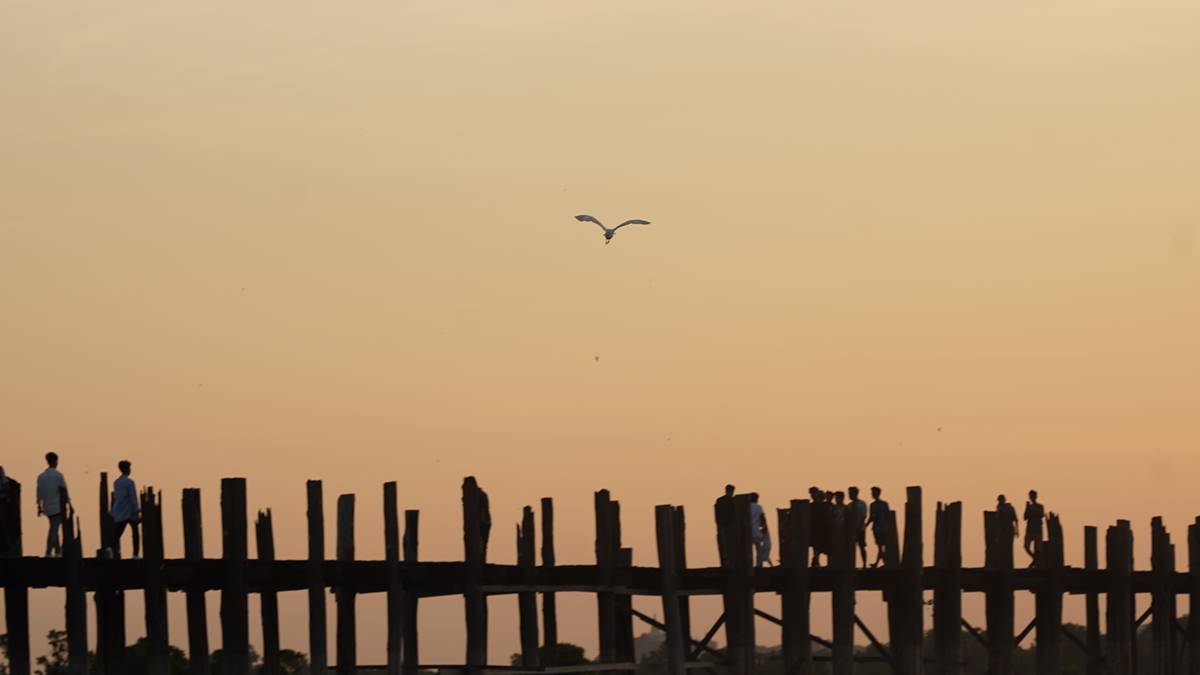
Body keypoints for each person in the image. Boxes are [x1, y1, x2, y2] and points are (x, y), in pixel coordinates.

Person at [36, 452, 69, 557]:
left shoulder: (41, 476)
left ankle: (58, 551)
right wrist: (69, 505)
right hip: (57, 507)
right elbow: (64, 491)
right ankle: (48, 552)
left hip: (47, 506)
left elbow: (39, 493)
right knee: (54, 530)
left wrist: (39, 507)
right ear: (55, 461)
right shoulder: (58, 475)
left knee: (53, 528)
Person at [111, 460, 141, 559]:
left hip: (119, 511)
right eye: (129, 468)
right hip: (130, 512)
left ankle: (111, 550)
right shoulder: (129, 482)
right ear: (126, 469)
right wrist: (137, 511)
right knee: (135, 534)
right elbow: (133, 498)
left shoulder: (116, 482)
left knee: (117, 533)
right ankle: (135, 554)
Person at [864, 486, 890, 568]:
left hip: (883, 528)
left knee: (881, 546)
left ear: (878, 493)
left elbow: (888, 516)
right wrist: (866, 525)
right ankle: (882, 563)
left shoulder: (884, 504)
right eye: (872, 493)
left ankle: (883, 563)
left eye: (874, 493)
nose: (873, 494)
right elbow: (871, 517)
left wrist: (866, 525)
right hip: (876, 528)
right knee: (880, 547)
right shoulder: (872, 505)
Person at [809, 487, 831, 567]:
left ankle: (816, 560)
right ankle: (816, 560)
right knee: (816, 546)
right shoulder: (813, 505)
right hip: (816, 528)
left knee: (819, 546)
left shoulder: (822, 505)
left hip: (821, 529)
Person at [749, 492, 771, 567]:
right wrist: (764, 528)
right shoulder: (759, 507)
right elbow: (762, 518)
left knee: (748, 551)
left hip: (748, 532)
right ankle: (759, 565)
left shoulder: (746, 507)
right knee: (759, 550)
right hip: (757, 532)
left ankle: (749, 565)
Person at [1023, 490, 1045, 565]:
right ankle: (1035, 559)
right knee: (1026, 546)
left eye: (1033, 496)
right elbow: (1025, 517)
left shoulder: (1040, 506)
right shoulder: (1029, 506)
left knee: (1038, 549)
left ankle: (1036, 562)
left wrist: (1033, 509)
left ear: (1036, 496)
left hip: (1037, 529)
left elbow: (1041, 515)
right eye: (1030, 496)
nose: (1031, 497)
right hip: (1029, 529)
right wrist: (1027, 508)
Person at [849, 487, 869, 568]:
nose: (850, 495)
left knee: (861, 547)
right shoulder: (849, 505)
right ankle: (851, 564)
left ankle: (864, 564)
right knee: (851, 547)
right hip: (851, 529)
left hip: (860, 529)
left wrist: (859, 527)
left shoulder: (862, 504)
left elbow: (863, 516)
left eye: (851, 493)